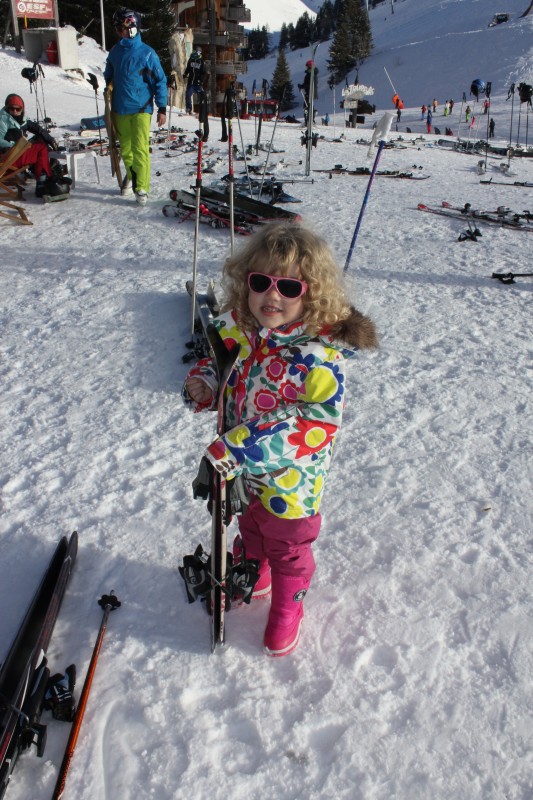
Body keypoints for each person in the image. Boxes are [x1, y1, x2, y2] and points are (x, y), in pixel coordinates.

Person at [183, 223, 378, 657]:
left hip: (292, 480)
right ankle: (256, 571)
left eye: (288, 286)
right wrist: (205, 382)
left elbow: (315, 424)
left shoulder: (320, 356)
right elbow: (219, 365)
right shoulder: (241, 329)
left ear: (311, 293)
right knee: (251, 529)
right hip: (241, 474)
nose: (273, 295)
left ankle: (288, 607)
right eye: (261, 282)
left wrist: (238, 447)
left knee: (287, 546)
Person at [104, 8, 167, 206]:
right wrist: (107, 85)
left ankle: (142, 186)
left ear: (131, 27)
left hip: (141, 108)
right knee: (126, 150)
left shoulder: (148, 53)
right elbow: (109, 74)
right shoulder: (115, 52)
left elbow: (160, 80)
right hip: (120, 109)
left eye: (120, 28)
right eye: (116, 29)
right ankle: (132, 175)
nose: (118, 32)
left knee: (140, 149)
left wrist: (162, 107)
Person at [0, 93, 69, 197]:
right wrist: (10, 147)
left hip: (16, 154)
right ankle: (44, 179)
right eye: (11, 108)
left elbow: (37, 129)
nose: (14, 111)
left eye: (17, 109)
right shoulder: (3, 120)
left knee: (40, 140)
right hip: (8, 157)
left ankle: (47, 173)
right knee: (40, 149)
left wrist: (50, 140)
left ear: (22, 109)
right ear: (7, 108)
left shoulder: (22, 120)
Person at [183, 46, 206, 115]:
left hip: (198, 83)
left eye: (198, 52)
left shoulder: (201, 61)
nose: (196, 53)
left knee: (202, 96)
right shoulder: (191, 59)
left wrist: (201, 81)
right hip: (191, 82)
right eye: (195, 52)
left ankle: (201, 111)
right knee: (188, 94)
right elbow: (188, 68)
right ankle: (188, 109)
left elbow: (203, 73)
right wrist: (185, 74)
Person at [298, 60, 318, 125]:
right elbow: (308, 83)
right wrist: (302, 86)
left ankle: (309, 121)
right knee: (308, 106)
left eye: (307, 66)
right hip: (310, 92)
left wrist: (303, 86)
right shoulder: (311, 74)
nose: (306, 68)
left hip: (310, 92)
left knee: (307, 107)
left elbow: (310, 84)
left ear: (309, 67)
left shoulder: (312, 74)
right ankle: (310, 121)